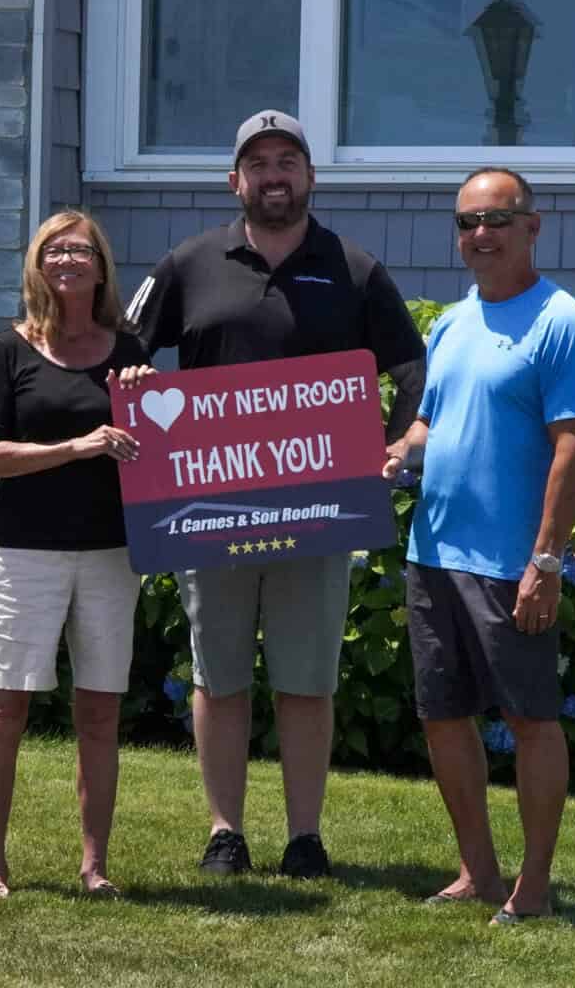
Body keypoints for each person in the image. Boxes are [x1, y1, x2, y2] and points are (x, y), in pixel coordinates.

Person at [119, 109, 426, 878]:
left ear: (310, 175)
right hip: (209, 508)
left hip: (318, 510)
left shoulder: (353, 268)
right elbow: (122, 351)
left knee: (305, 679)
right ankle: (224, 832)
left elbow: (414, 371)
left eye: (287, 160)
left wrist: (394, 445)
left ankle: (304, 838)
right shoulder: (189, 262)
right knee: (218, 676)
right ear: (235, 181)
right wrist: (134, 385)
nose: (273, 176)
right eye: (257, 164)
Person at [382, 167, 575, 923]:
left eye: (496, 220)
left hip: (511, 563)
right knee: (442, 715)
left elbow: (574, 445)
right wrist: (398, 452)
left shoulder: (561, 322)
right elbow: (430, 421)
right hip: (433, 552)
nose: (480, 234)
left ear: (532, 227)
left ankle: (532, 887)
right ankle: (476, 871)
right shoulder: (452, 321)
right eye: (467, 222)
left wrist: (546, 560)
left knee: (530, 719)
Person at [0, 210, 151, 901]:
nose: (68, 259)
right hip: (23, 555)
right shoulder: (8, 349)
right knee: (3, 711)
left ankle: (95, 867)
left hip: (110, 554)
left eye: (81, 250)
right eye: (54, 250)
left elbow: (156, 449)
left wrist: (146, 403)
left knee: (99, 715)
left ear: (101, 268)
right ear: (37, 265)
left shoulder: (127, 350)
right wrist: (76, 447)